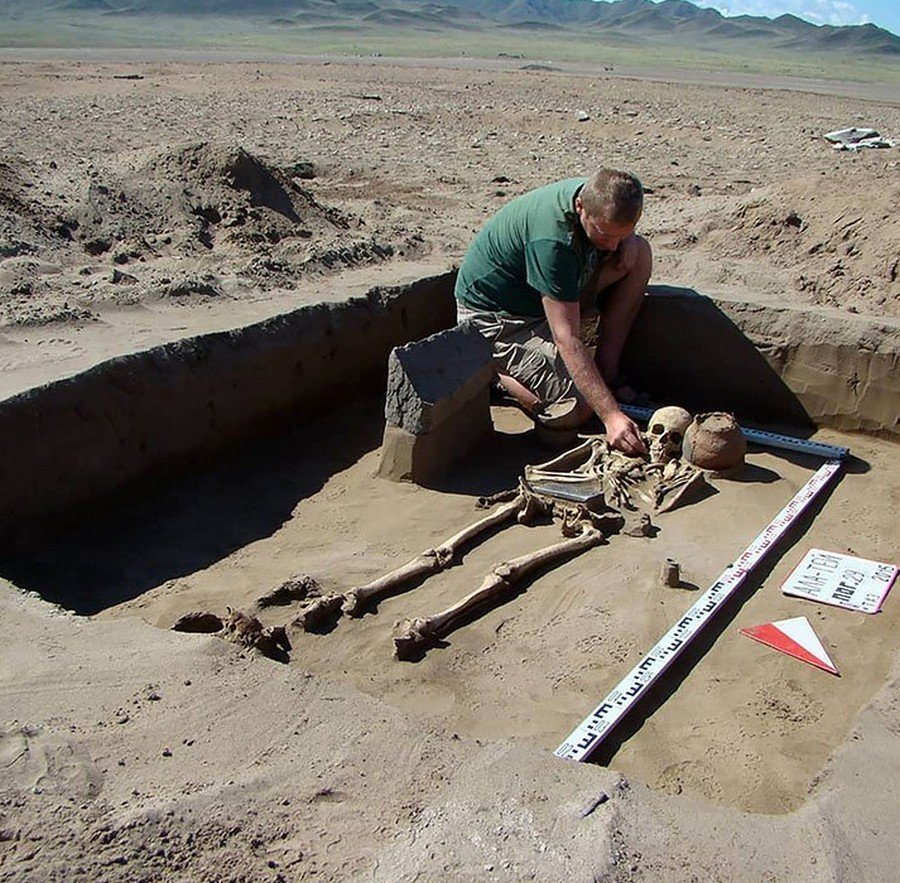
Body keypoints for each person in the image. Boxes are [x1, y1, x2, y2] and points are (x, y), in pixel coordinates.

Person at [455, 168, 652, 455]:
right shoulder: (552, 241)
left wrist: (628, 239)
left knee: (638, 255)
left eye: (619, 235)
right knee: (577, 407)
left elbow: (616, 231)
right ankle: (494, 370)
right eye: (604, 234)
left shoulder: (602, 196)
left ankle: (609, 371)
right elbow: (567, 338)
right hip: (498, 318)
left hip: (545, 294)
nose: (612, 246)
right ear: (580, 207)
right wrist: (611, 416)